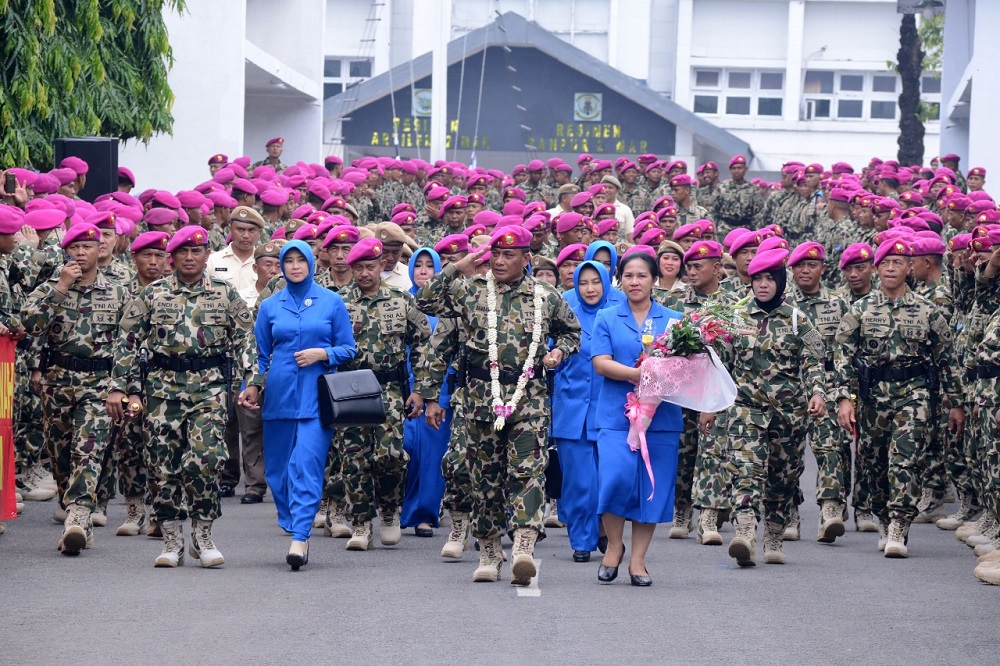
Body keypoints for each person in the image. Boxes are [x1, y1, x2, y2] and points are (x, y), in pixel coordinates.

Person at [416, 227, 580, 585]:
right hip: (480, 400)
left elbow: (572, 332)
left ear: (527, 258)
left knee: (527, 472)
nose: (500, 261)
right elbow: (424, 302)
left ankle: (523, 546)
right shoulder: (470, 291)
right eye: (496, 254)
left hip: (528, 399)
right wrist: (458, 267)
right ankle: (490, 552)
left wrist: (559, 352)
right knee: (484, 481)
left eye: (509, 255)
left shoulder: (545, 296)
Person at [112, 225, 262, 568]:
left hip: (209, 389)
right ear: (173, 257)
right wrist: (121, 386)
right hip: (162, 391)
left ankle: (203, 534)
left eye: (197, 251)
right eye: (183, 252)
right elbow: (127, 340)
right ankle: (171, 539)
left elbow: (245, 339)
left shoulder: (224, 293)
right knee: (162, 465)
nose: (190, 257)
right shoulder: (154, 294)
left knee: (206, 460)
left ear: (207, 255)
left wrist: (252, 381)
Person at [834, 240, 964, 558]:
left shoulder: (927, 311)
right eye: (885, 263)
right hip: (873, 396)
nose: (891, 268)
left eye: (898, 262)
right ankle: (883, 518)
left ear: (909, 268)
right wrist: (844, 398)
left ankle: (898, 526)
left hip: (914, 393)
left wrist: (956, 402)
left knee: (905, 459)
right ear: (877, 269)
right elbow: (842, 356)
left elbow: (946, 358)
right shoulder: (860, 310)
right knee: (874, 463)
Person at [711, 248, 827, 566]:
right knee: (745, 471)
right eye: (757, 278)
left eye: (769, 279)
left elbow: (814, 362)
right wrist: (711, 403)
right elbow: (721, 364)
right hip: (746, 408)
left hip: (788, 415)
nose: (762, 285)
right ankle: (745, 533)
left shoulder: (797, 319)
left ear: (780, 281)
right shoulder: (736, 317)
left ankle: (774, 534)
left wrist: (818, 394)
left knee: (782, 477)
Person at [20, 223, 131, 555]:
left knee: (89, 450)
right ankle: (74, 513)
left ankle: (78, 515)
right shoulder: (49, 288)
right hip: (57, 383)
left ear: (100, 250)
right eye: (75, 248)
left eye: (88, 247)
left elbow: (128, 343)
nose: (81, 253)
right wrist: (61, 288)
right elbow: (31, 326)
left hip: (99, 384)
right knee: (61, 455)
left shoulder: (118, 293)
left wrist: (120, 387)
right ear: (66, 252)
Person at [254, 240, 356, 569]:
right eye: (289, 261)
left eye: (301, 260)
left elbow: (349, 348)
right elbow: (259, 355)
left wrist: (323, 353)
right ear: (282, 266)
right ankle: (292, 520)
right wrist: (251, 387)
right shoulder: (270, 306)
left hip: (316, 397)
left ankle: (300, 536)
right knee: (278, 472)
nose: (295, 266)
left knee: (307, 467)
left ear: (312, 263)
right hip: (279, 396)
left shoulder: (331, 302)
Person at [591, 251, 684, 586]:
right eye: (628, 275)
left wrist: (662, 377)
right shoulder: (607, 317)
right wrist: (637, 374)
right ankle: (614, 546)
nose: (635, 282)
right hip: (616, 414)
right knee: (615, 479)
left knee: (651, 488)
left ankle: (638, 560)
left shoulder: (674, 320)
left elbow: (686, 366)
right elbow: (600, 362)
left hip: (661, 417)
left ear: (655, 279)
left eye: (642, 275)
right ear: (620, 280)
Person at [339, 237, 430, 551]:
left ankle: (390, 508)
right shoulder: (338, 302)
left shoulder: (401, 300)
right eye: (359, 268)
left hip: (389, 388)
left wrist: (420, 390)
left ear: (382, 266)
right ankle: (361, 524)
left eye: (370, 266)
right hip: (350, 388)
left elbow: (422, 343)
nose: (365, 273)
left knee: (390, 456)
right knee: (354, 458)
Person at [552, 260, 616, 562]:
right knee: (578, 482)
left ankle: (603, 527)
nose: (590, 288)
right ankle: (581, 539)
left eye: (596, 281)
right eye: (583, 282)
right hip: (571, 409)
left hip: (610, 410)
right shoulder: (564, 312)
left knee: (607, 479)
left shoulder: (617, 314)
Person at [400, 247, 451, 537]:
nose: (423, 271)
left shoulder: (447, 305)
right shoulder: (400, 301)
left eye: (429, 266)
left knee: (432, 455)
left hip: (439, 391)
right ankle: (396, 506)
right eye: (417, 265)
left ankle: (424, 515)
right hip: (404, 389)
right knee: (407, 448)